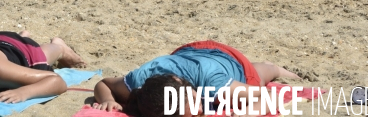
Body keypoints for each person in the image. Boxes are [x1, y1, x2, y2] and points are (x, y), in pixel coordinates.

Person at [93, 40, 300, 116]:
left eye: (193, 101)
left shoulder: (215, 85)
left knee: (261, 74)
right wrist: (109, 100)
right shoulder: (141, 83)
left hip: (226, 60)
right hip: (188, 53)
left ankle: (278, 69)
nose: (200, 110)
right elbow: (103, 84)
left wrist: (244, 114)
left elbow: (270, 96)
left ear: (177, 80)